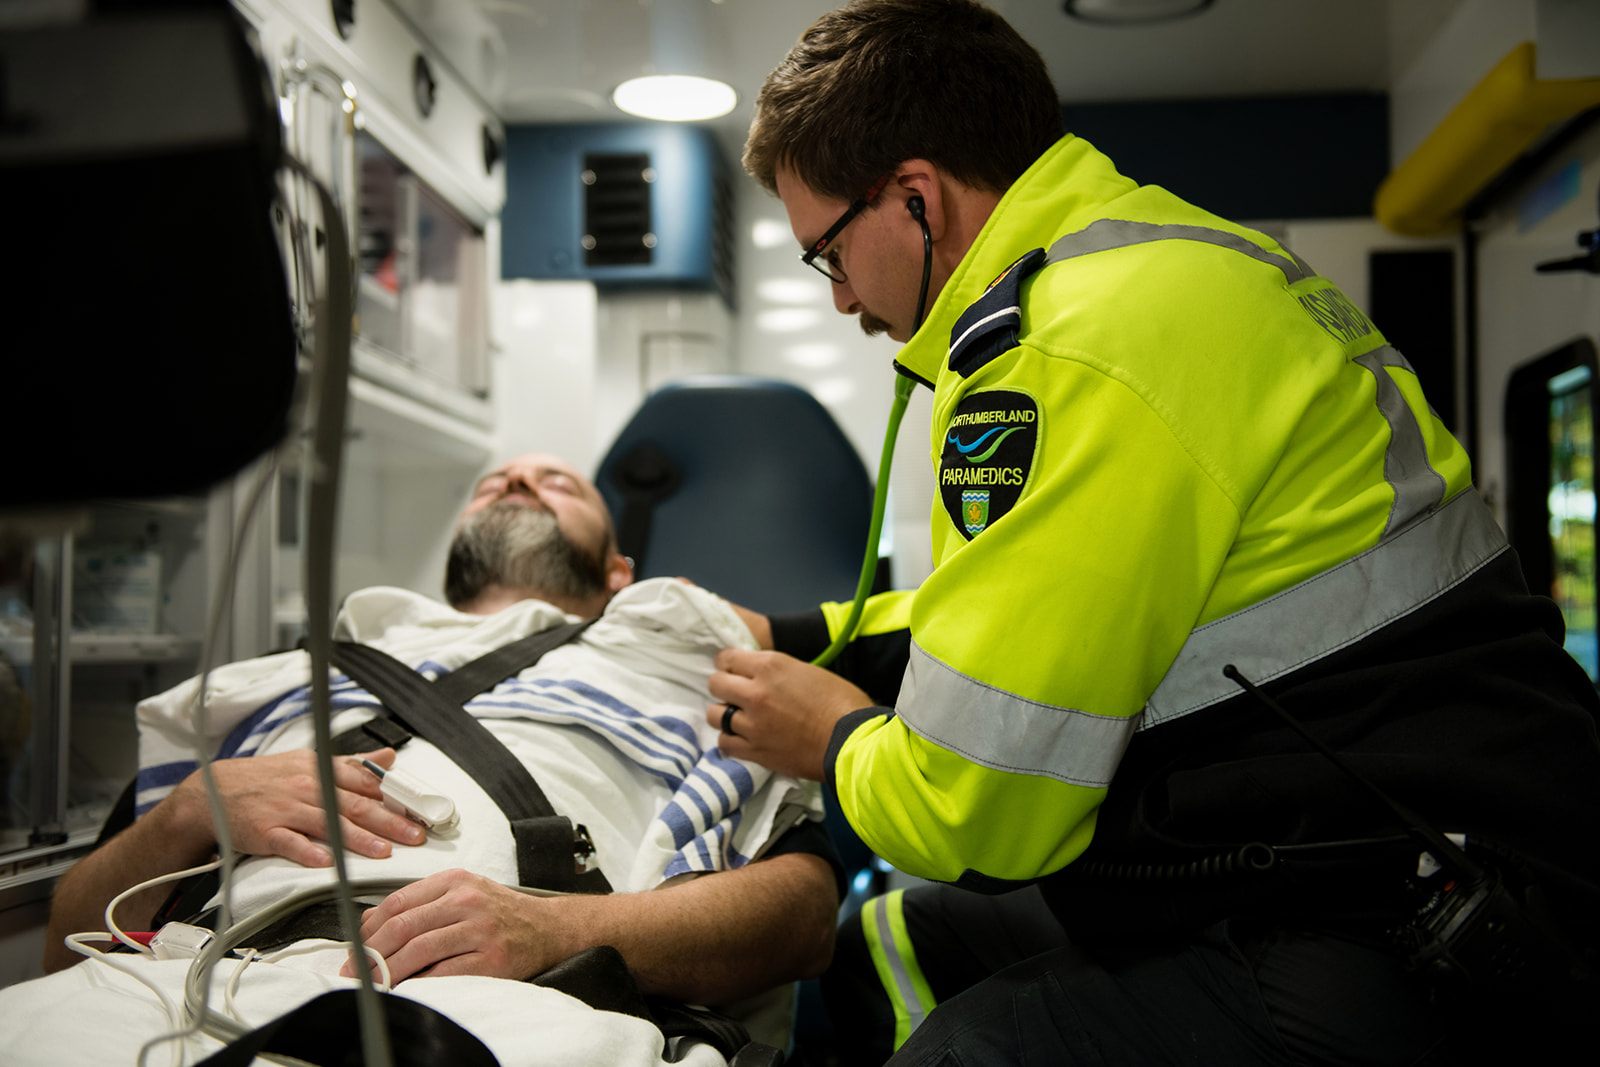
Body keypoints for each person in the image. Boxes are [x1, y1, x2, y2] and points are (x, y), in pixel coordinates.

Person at [705, 2, 1600, 1064]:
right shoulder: (1176, 264)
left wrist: (836, 733)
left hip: (1409, 923)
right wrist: (798, 630)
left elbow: (974, 822)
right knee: (897, 935)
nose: (845, 297)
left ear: (915, 197)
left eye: (830, 253)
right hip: (1472, 838)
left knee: (960, 1044)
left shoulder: (1059, 352)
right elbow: (1042, 598)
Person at [17, 453, 838, 1066]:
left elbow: (803, 917)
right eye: (494, 481)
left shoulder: (696, 680)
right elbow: (67, 939)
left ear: (621, 572)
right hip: (190, 983)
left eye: (557, 482)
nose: (516, 479)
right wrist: (192, 806)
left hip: (520, 1006)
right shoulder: (282, 681)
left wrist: (560, 926)